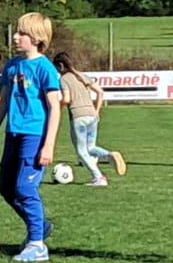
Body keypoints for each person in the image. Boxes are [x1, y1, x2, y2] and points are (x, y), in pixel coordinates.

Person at [0, 13, 63, 262]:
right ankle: (40, 225)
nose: (15, 37)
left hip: (34, 135)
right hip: (13, 133)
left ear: (38, 38)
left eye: (22, 33)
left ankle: (37, 244)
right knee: (6, 189)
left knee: (25, 187)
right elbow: (4, 102)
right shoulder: (11, 66)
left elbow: (55, 107)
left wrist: (48, 144)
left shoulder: (45, 68)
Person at [52, 53, 125, 186]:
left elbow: (67, 99)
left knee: (81, 151)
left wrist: (56, 106)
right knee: (91, 147)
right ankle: (109, 155)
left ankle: (98, 177)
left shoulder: (64, 79)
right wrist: (97, 111)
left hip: (78, 116)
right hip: (92, 115)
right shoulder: (81, 75)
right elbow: (100, 92)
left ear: (61, 66)